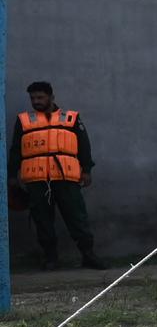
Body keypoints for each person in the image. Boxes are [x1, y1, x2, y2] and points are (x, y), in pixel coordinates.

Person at [9, 82, 104, 270]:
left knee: (77, 218)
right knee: (42, 221)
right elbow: (15, 150)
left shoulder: (70, 118)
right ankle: (50, 258)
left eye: (40, 97)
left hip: (66, 178)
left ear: (51, 97)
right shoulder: (23, 120)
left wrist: (86, 170)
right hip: (37, 180)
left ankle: (88, 255)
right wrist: (12, 176)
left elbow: (84, 146)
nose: (36, 102)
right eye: (33, 98)